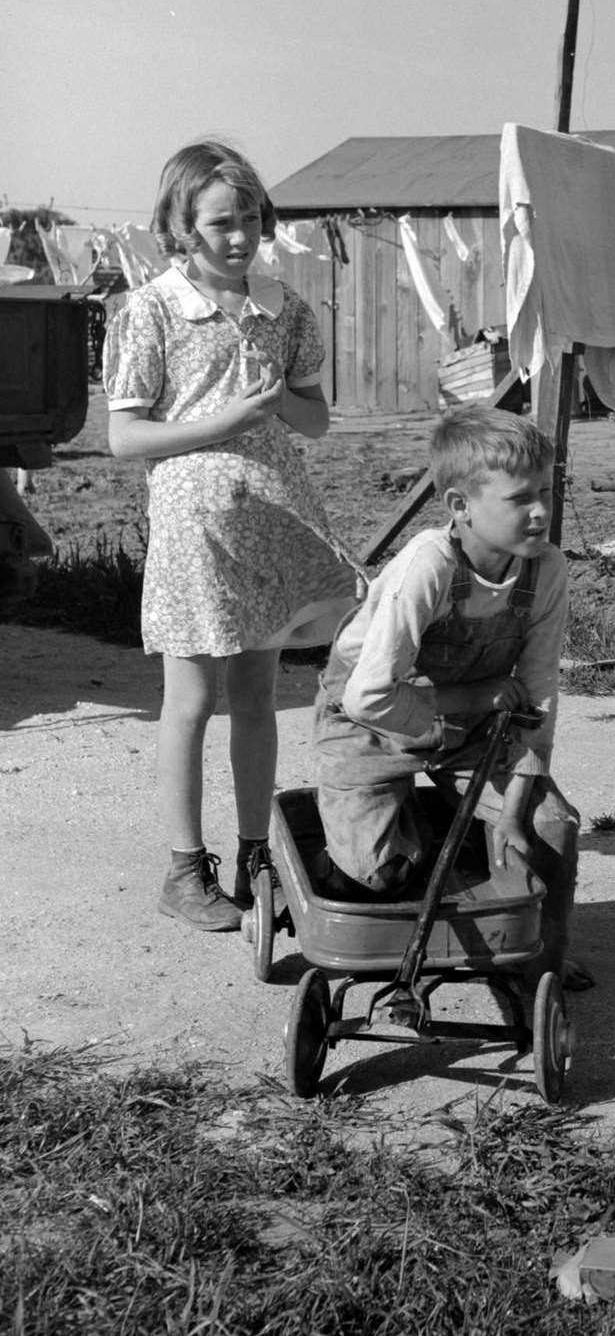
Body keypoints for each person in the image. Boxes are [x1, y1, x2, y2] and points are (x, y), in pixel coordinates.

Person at [105, 140, 359, 932]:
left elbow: (315, 420)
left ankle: (259, 856)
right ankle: (185, 868)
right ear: (180, 227)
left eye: (250, 218)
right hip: (197, 537)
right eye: (220, 223)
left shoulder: (284, 308)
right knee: (189, 699)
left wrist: (278, 401)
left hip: (273, 525)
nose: (240, 237)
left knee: (258, 695)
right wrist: (227, 419)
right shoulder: (152, 309)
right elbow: (124, 437)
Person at [312, 405, 580, 980]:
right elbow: (369, 697)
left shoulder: (546, 570)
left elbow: (537, 695)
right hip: (369, 729)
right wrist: (473, 696)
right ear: (460, 507)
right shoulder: (428, 565)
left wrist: (512, 814)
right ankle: (389, 829)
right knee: (378, 875)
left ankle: (545, 961)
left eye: (546, 493)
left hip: (469, 730)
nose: (539, 513)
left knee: (551, 825)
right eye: (518, 499)